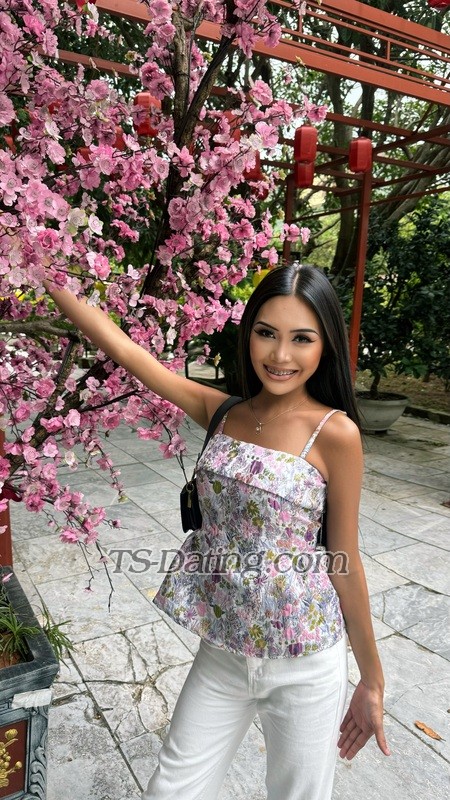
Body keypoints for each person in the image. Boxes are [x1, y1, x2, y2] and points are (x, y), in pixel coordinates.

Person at [44, 262, 390, 800]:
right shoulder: (224, 412)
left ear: (325, 346)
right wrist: (40, 270)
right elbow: (129, 353)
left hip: (305, 659)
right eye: (267, 333)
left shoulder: (335, 433)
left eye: (302, 338)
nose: (280, 355)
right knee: (171, 789)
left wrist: (371, 681)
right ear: (247, 333)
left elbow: (344, 561)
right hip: (224, 649)